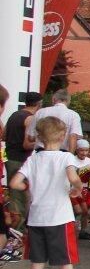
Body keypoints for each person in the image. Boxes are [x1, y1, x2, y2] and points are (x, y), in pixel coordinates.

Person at [9, 116, 86, 269]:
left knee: (37, 263)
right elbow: (72, 177)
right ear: (62, 136)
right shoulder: (65, 157)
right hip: (59, 217)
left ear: (40, 137)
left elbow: (15, 182)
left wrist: (27, 187)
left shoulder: (33, 159)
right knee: (65, 263)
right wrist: (77, 189)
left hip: (36, 218)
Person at [4, 91, 42, 229]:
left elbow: (3, 135)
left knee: (14, 195)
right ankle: (18, 230)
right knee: (21, 197)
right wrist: (41, 142)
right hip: (21, 160)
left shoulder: (14, 115)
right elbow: (26, 144)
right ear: (39, 104)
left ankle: (15, 228)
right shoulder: (30, 118)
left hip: (10, 158)